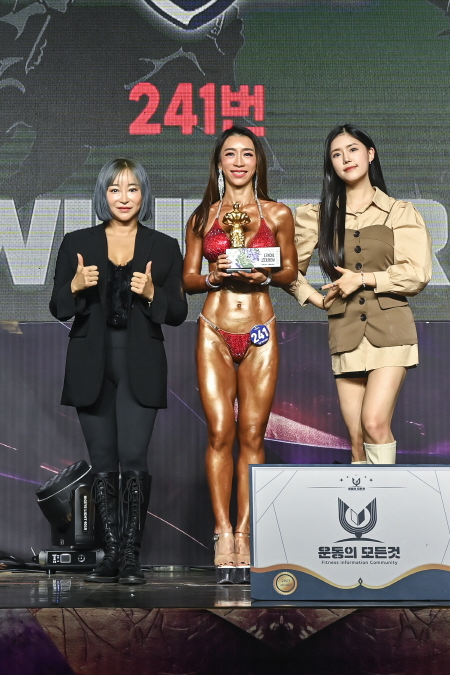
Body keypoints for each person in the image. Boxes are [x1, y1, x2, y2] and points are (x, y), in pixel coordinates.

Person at [50, 159, 187, 585]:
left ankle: (130, 556)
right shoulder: (77, 242)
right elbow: (57, 306)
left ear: (143, 195)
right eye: (114, 189)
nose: (123, 198)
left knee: (133, 457)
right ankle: (109, 554)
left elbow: (178, 312)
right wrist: (75, 287)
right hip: (90, 364)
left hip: (140, 365)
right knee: (103, 460)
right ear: (102, 195)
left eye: (132, 189)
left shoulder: (164, 246)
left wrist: (153, 293)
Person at [183, 126, 298, 583]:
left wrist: (262, 274)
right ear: (219, 163)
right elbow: (188, 279)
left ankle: (246, 534)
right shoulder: (203, 216)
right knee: (219, 432)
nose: (238, 162)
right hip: (214, 329)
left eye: (247, 154)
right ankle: (222, 531)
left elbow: (290, 270)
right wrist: (213, 276)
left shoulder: (278, 213)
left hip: (260, 331)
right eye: (229, 154)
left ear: (257, 162)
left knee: (252, 434)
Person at [289, 125, 431, 465]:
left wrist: (364, 279)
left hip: (391, 329)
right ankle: (366, 501)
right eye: (336, 154)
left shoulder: (399, 211)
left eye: (352, 150)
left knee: (374, 423)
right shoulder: (317, 215)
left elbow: (417, 274)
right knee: (355, 440)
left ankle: (386, 500)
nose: (345, 159)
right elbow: (287, 269)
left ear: (370, 154)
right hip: (345, 330)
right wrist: (313, 297)